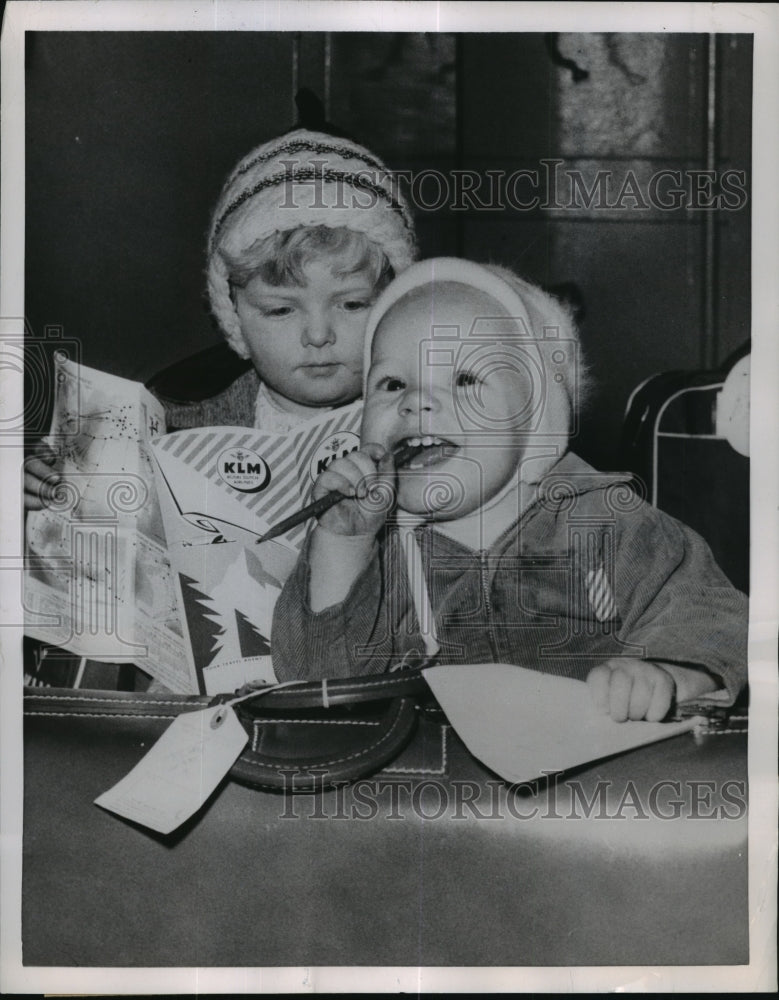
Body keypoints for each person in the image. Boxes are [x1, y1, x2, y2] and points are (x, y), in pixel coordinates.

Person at [271, 258, 748, 722]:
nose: (416, 401)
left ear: (538, 415)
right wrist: (343, 546)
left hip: (599, 783)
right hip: (430, 791)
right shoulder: (380, 549)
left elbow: (712, 614)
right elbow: (321, 689)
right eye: (392, 383)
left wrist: (668, 674)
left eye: (463, 378)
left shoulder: (609, 521)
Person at [24, 127, 417, 507]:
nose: (318, 335)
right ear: (234, 319)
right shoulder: (172, 421)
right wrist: (53, 486)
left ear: (394, 306)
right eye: (280, 309)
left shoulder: (424, 423)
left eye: (352, 304)